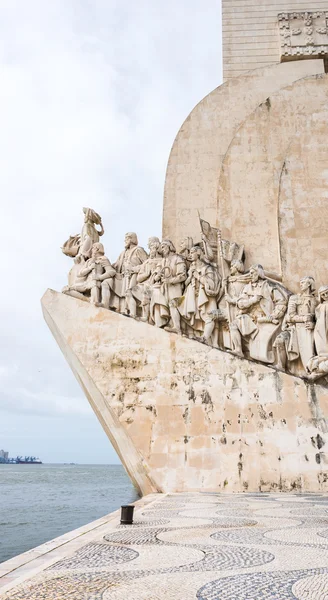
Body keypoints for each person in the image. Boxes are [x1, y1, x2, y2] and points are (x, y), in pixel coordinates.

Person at [230, 264, 288, 363]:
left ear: (259, 273)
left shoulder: (268, 286)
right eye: (250, 273)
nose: (250, 275)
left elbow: (281, 302)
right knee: (233, 324)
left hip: (265, 319)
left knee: (262, 349)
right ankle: (238, 350)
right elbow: (240, 303)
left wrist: (274, 315)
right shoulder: (247, 287)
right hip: (251, 318)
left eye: (253, 273)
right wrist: (252, 300)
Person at [274, 276, 317, 373]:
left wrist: (314, 325)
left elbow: (320, 319)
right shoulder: (294, 298)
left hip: (310, 330)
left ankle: (312, 370)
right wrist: (303, 318)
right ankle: (281, 366)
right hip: (294, 330)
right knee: (280, 340)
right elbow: (290, 316)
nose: (300, 284)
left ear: (309, 284)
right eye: (300, 282)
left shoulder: (316, 301)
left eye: (303, 282)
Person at [179, 246, 221, 342]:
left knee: (209, 316)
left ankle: (205, 338)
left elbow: (212, 284)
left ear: (198, 253)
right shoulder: (191, 268)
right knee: (186, 312)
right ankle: (192, 334)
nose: (190, 254)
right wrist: (190, 276)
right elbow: (185, 284)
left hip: (206, 295)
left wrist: (198, 276)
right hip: (192, 294)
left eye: (192, 252)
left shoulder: (208, 268)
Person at [101, 232, 148, 314]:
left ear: (132, 239)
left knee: (129, 293)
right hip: (122, 276)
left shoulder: (138, 250)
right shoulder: (123, 253)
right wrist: (105, 264)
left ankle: (131, 312)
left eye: (127, 238)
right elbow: (116, 265)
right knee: (106, 283)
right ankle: (107, 304)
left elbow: (147, 264)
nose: (125, 240)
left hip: (133, 276)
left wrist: (134, 269)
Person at [150, 239, 187, 334]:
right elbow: (156, 274)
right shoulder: (163, 261)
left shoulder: (178, 258)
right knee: (166, 304)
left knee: (173, 305)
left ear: (169, 246)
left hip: (175, 287)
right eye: (161, 248)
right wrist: (157, 276)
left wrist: (170, 280)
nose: (162, 249)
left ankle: (177, 327)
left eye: (163, 246)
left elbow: (183, 275)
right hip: (165, 288)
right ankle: (167, 323)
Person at [135, 237, 162, 322]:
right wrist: (146, 274)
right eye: (150, 247)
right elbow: (138, 279)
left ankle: (146, 317)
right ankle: (132, 313)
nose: (151, 249)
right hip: (145, 284)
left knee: (147, 291)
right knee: (128, 292)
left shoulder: (163, 260)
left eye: (153, 246)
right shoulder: (146, 262)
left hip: (155, 285)